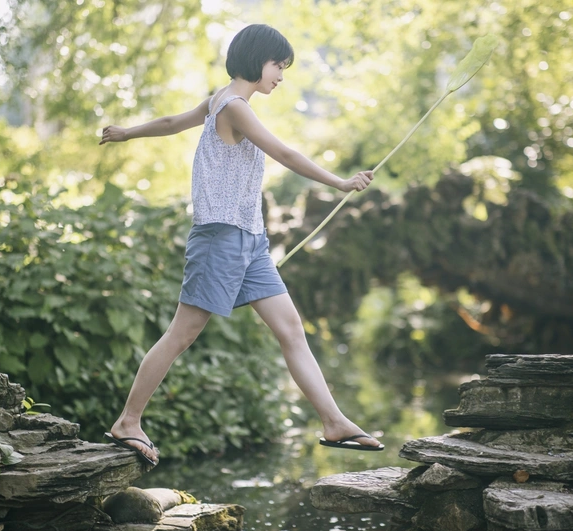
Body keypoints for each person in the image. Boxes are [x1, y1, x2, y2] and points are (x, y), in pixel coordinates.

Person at [99, 23, 383, 466]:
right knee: (183, 332)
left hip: (251, 240)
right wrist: (339, 182)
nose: (281, 77)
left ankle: (333, 421)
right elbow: (285, 154)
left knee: (290, 328)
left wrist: (128, 132)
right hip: (220, 237)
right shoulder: (233, 106)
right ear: (256, 59)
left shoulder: (221, 100)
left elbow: (175, 122)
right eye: (278, 66)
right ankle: (128, 422)